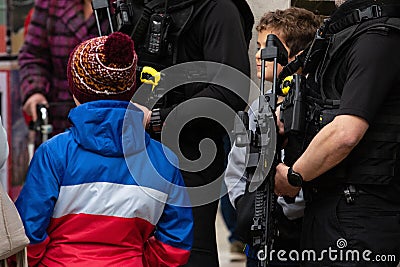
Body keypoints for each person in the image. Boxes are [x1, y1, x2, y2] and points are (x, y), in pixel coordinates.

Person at [15, 32, 193, 267]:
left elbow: (28, 233)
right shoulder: (163, 160)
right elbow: (175, 244)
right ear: (131, 88)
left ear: (76, 93)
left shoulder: (53, 154)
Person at [274, 0, 400, 266]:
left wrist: (294, 176)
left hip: (356, 213)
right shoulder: (349, 32)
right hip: (331, 207)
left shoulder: (379, 37)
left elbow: (345, 134)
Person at [131, 0, 254, 266]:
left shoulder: (218, 9)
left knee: (190, 253)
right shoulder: (134, 6)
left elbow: (232, 89)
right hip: (134, 154)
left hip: (191, 155)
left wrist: (159, 118)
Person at [224, 7, 322, 267]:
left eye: (266, 50)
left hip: (299, 239)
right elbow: (236, 165)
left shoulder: (316, 109)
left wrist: (285, 208)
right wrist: (247, 205)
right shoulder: (258, 107)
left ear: (299, 56)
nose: (258, 56)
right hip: (257, 231)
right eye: (257, 48)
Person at [18, 0, 110, 136]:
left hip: (108, 121)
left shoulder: (124, 7)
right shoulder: (50, 3)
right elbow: (33, 55)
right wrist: (35, 91)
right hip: (58, 121)